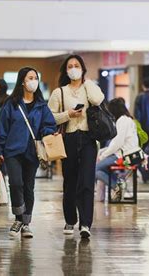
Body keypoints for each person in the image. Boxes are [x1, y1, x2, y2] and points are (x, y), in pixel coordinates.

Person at [0, 67, 56, 239]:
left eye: (36, 77)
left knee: (28, 186)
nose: (33, 81)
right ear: (22, 81)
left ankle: (26, 223)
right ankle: (19, 217)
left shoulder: (42, 106)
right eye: (30, 77)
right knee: (16, 183)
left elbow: (49, 125)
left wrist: (48, 132)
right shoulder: (11, 104)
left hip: (32, 152)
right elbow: (1, 128)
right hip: (13, 151)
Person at [48, 54, 105, 239]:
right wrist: (68, 115)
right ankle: (70, 219)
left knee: (87, 182)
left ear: (82, 69)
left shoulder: (89, 88)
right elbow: (50, 117)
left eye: (77, 65)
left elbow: (98, 100)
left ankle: (86, 223)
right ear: (66, 70)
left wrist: (87, 83)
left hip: (89, 139)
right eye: (70, 66)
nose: (74, 68)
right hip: (69, 139)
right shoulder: (60, 92)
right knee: (70, 182)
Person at [95, 99, 140, 201]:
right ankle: (118, 185)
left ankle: (117, 187)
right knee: (101, 167)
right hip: (129, 154)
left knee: (95, 169)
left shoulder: (122, 121)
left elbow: (117, 143)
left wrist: (104, 154)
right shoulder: (127, 119)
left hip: (125, 156)